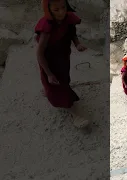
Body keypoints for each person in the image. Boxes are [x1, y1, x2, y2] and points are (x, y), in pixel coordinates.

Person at [35, 0, 89, 128]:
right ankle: (75, 115)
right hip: (50, 61)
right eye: (56, 10)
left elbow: (72, 35)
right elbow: (39, 54)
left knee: (64, 78)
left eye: (63, 7)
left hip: (64, 56)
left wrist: (78, 44)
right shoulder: (47, 27)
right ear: (49, 10)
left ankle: (48, 91)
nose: (61, 12)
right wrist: (48, 73)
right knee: (57, 85)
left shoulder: (68, 19)